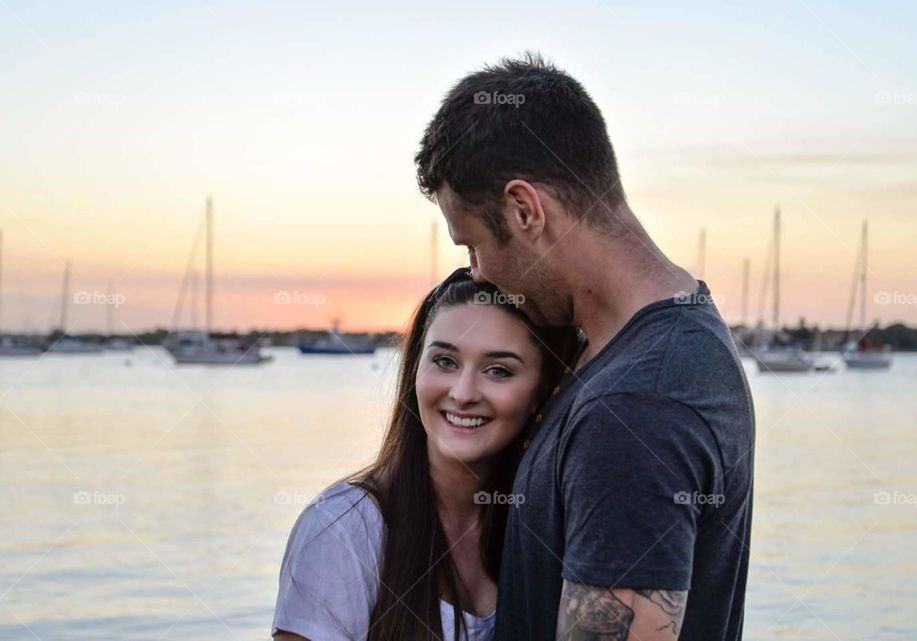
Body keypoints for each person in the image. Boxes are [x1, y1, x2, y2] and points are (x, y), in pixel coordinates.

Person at [414, 53, 755, 640]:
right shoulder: (650, 343)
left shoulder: (636, 405)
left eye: (471, 245)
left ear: (525, 210)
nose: (476, 275)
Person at [271, 268, 578, 641]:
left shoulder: (550, 523)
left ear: (542, 392)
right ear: (416, 369)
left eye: (498, 370)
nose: (463, 393)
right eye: (445, 362)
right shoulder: (344, 528)